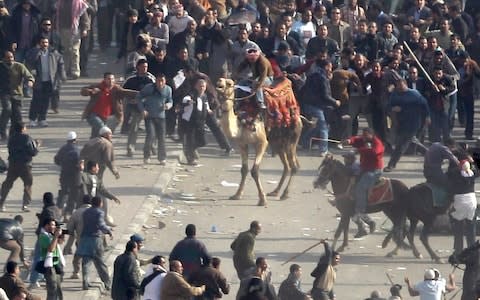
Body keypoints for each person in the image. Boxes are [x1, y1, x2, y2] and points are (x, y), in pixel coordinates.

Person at [343, 128, 383, 237]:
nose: (364, 138)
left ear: (372, 135)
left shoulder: (377, 143)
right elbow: (356, 139)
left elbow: (375, 152)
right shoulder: (364, 141)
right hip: (363, 168)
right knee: (351, 180)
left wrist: (360, 150)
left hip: (374, 170)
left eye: (366, 136)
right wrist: (349, 141)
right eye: (363, 136)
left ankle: (360, 210)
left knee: (360, 187)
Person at [383, 79, 430, 172]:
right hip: (401, 122)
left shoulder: (414, 94)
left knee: (401, 144)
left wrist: (428, 116)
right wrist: (393, 108)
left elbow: (424, 104)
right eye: (398, 86)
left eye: (401, 86)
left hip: (413, 122)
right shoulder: (395, 95)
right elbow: (388, 106)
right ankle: (433, 154)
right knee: (412, 140)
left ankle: (391, 164)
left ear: (405, 85)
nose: (400, 88)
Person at [300, 59, 341, 155]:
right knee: (323, 127)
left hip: (308, 104)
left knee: (318, 126)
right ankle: (323, 149)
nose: (331, 69)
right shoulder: (322, 78)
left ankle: (304, 142)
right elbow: (325, 95)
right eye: (330, 66)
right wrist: (335, 102)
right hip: (317, 106)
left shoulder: (311, 75)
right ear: (326, 67)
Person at [81, 72, 138, 137]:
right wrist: (90, 91)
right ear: (104, 80)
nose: (111, 81)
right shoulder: (98, 87)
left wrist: (141, 94)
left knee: (96, 136)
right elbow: (83, 91)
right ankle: (103, 145)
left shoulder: (116, 89)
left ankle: (95, 146)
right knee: (105, 131)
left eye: (112, 79)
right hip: (93, 115)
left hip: (107, 117)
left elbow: (127, 92)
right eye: (108, 79)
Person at [26, 37, 66, 127]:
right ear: (39, 43)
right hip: (38, 81)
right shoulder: (34, 52)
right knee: (36, 100)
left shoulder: (53, 53)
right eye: (43, 42)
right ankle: (32, 119)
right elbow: (29, 62)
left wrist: (62, 76)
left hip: (49, 81)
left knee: (46, 101)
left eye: (46, 42)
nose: (44, 44)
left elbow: (61, 63)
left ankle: (42, 119)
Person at [75, 196, 112, 291]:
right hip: (95, 239)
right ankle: (107, 283)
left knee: (86, 261)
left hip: (85, 238)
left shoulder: (86, 212)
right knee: (100, 262)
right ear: (100, 203)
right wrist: (108, 231)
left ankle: (85, 281)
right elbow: (101, 224)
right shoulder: (99, 212)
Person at [0, 122, 38, 212]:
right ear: (22, 129)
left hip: (13, 164)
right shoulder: (27, 138)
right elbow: (33, 152)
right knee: (28, 184)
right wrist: (37, 146)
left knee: (7, 184)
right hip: (25, 165)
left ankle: (1, 204)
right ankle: (25, 205)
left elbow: (10, 150)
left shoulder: (11, 138)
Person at [121, 58, 156, 157]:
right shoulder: (131, 79)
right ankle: (130, 148)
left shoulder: (151, 79)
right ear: (137, 67)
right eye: (142, 67)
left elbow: (155, 92)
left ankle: (152, 146)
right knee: (134, 127)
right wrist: (129, 99)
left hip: (148, 107)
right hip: (135, 107)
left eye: (146, 67)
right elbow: (122, 91)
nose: (144, 69)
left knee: (151, 129)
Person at [136, 72, 173, 165]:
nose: (160, 83)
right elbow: (139, 97)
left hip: (161, 116)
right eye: (158, 81)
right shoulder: (149, 88)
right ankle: (146, 156)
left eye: (162, 81)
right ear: (155, 81)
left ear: (165, 81)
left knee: (162, 138)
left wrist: (168, 105)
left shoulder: (168, 89)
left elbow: (170, 100)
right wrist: (142, 109)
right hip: (149, 116)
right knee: (151, 135)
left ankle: (162, 158)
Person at [0, 51, 34, 140]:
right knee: (7, 109)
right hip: (4, 93)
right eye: (8, 58)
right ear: (3, 59)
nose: (10, 59)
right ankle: (2, 131)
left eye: (11, 57)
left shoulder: (19, 66)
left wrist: (30, 81)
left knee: (17, 115)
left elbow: (29, 75)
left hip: (17, 93)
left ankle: (14, 133)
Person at [449, 159, 478, 255]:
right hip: (472, 202)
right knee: (471, 227)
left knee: (458, 228)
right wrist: (471, 163)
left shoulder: (456, 175)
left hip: (460, 202)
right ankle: (472, 251)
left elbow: (449, 173)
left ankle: (458, 251)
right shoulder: (473, 174)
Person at [180, 78, 211, 165]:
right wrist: (189, 101)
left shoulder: (204, 96)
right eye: (200, 86)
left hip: (200, 121)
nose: (202, 88)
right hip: (190, 121)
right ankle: (190, 158)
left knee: (202, 141)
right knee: (190, 139)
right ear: (196, 86)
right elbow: (186, 99)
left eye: (203, 86)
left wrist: (208, 110)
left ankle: (191, 149)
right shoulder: (192, 94)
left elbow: (206, 103)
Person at [80, 160, 120, 226]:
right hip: (86, 200)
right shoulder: (85, 176)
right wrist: (81, 170)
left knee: (103, 200)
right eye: (97, 167)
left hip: (94, 199)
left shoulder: (97, 178)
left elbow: (103, 190)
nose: (98, 168)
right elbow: (83, 182)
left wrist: (113, 197)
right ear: (93, 168)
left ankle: (104, 220)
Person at [54, 131, 82, 217]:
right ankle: (68, 212)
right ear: (75, 140)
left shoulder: (63, 148)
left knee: (63, 191)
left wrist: (63, 165)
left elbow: (56, 160)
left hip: (64, 173)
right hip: (75, 175)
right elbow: (79, 162)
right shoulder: (77, 150)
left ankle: (59, 209)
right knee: (74, 193)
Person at [63, 195, 91, 279]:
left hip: (81, 240)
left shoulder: (77, 212)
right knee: (97, 260)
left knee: (77, 258)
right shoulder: (96, 211)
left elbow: (70, 228)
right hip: (94, 239)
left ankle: (76, 272)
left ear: (82, 202)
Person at [38, 217, 64, 300]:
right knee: (52, 289)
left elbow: (60, 243)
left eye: (54, 225)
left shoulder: (51, 235)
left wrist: (60, 235)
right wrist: (55, 236)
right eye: (52, 225)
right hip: (49, 266)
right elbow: (50, 249)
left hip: (56, 264)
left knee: (58, 289)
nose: (53, 227)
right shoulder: (43, 236)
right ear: (46, 225)